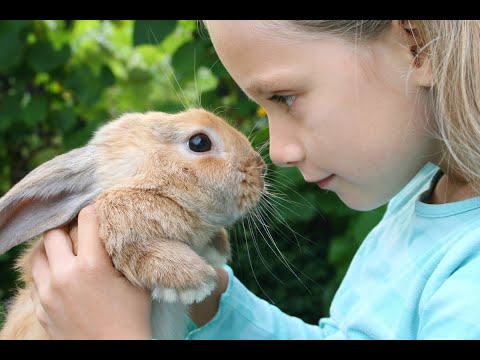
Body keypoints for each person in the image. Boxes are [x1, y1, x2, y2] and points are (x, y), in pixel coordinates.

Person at [29, 20, 480, 339]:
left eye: (285, 98)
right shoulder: (419, 201)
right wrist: (211, 304)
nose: (278, 152)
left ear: (416, 43)